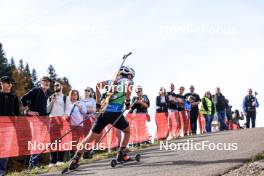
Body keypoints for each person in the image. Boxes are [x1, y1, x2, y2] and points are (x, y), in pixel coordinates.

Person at [68, 66, 135, 170]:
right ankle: (121, 154)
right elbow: (129, 88)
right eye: (132, 76)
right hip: (115, 113)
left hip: (103, 113)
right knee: (127, 131)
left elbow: (98, 86)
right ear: (129, 75)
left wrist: (98, 103)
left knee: (89, 137)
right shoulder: (128, 82)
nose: (132, 78)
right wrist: (127, 103)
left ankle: (75, 158)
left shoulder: (111, 81)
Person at [21, 76, 51, 168]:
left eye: (48, 82)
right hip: (35, 120)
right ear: (40, 82)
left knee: (40, 141)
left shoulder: (46, 94)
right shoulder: (36, 90)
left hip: (43, 120)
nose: (46, 83)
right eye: (44, 81)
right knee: (36, 141)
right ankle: (34, 163)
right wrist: (28, 111)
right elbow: (23, 99)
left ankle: (33, 163)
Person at [47, 79, 72, 167]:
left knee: (62, 140)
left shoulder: (66, 98)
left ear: (61, 86)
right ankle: (52, 161)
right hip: (52, 120)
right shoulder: (50, 97)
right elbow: (47, 110)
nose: (55, 87)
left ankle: (60, 159)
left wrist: (65, 117)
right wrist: (52, 101)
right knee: (52, 141)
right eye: (54, 85)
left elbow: (68, 110)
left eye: (57, 85)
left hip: (62, 121)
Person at [0, 76, 20, 175]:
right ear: (2, 83)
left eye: (11, 83)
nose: (10, 85)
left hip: (9, 127)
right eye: (8, 83)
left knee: (5, 149)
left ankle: (2, 170)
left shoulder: (14, 97)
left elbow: (17, 114)